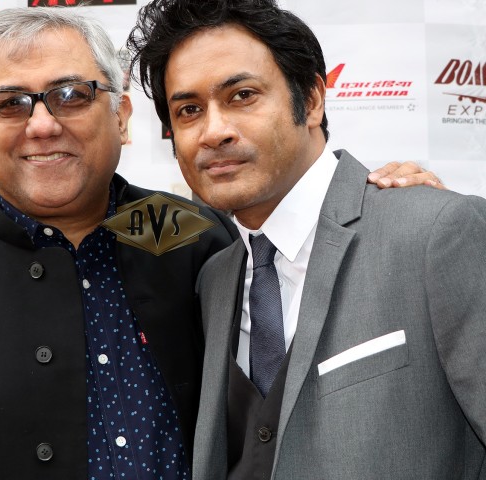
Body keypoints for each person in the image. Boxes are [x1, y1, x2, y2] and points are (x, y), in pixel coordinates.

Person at [0, 6, 438, 480]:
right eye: (10, 104)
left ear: (122, 117)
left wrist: (387, 205)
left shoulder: (194, 235)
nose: (42, 124)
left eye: (71, 94)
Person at [126, 0, 486, 479]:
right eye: (189, 110)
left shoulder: (434, 231)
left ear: (312, 100)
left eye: (242, 95)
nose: (214, 132)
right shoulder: (215, 277)